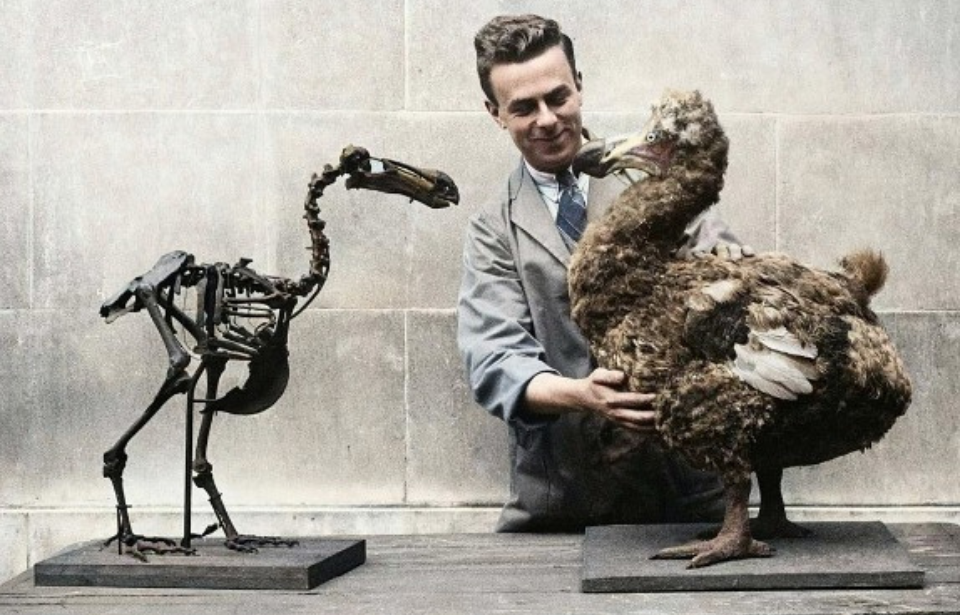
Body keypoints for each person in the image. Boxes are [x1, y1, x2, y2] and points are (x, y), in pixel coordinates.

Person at [457, 14, 751, 532]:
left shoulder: (653, 180)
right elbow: (495, 360)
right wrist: (582, 395)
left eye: (558, 97)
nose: (547, 119)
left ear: (579, 86)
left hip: (686, 496)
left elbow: (721, 261)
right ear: (495, 113)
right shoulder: (493, 229)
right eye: (523, 107)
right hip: (563, 505)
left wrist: (732, 269)